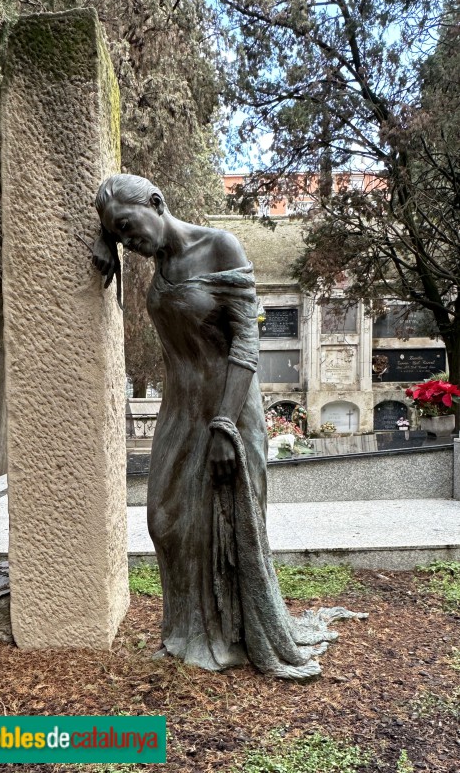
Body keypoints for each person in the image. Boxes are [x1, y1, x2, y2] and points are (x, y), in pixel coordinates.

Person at [93, 174, 364, 680]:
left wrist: (224, 425)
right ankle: (187, 632)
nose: (130, 243)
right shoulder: (155, 262)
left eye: (130, 229)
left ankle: (230, 639)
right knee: (166, 521)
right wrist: (102, 240)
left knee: (230, 526)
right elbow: (117, 235)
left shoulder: (220, 246)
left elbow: (246, 344)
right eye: (121, 238)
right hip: (180, 409)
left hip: (229, 407)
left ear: (157, 202)